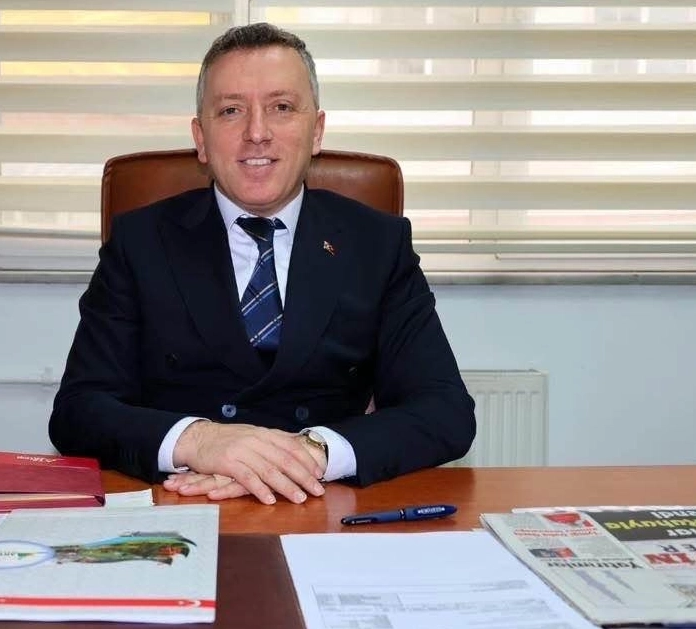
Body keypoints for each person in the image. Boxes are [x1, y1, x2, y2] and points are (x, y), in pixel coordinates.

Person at [49, 22, 475, 506]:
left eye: (282, 108)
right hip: (181, 501)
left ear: (316, 131)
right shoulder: (140, 241)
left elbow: (445, 412)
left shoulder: (376, 242)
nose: (256, 133)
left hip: (320, 503)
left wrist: (307, 454)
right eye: (231, 111)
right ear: (201, 138)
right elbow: (78, 411)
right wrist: (201, 441)